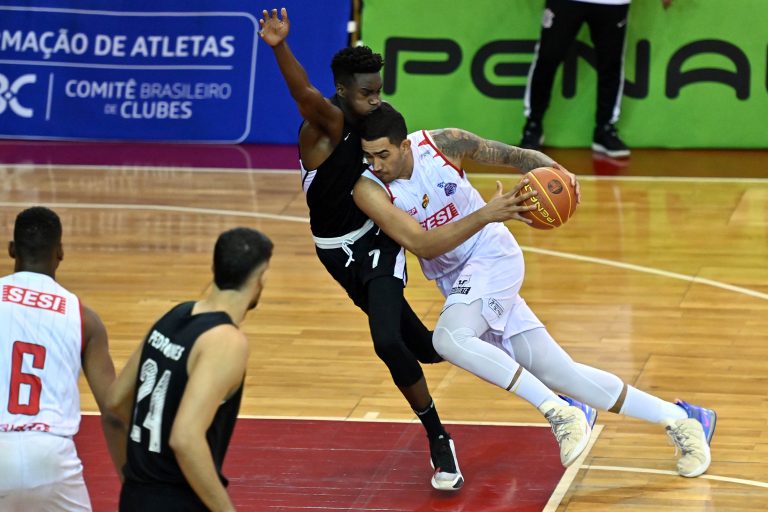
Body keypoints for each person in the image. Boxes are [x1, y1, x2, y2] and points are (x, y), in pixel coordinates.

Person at [260, 7, 545, 490]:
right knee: (428, 350)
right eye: (367, 93)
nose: (376, 99)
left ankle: (438, 437)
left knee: (387, 342)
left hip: (378, 239)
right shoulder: (325, 125)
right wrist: (279, 47)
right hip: (335, 252)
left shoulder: (376, 125)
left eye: (379, 90)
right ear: (343, 91)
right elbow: (304, 93)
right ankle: (483, 337)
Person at [354, 103, 717, 478]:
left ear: (405, 146)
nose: (376, 164)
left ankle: (559, 411)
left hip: (492, 255)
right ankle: (684, 419)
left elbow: (514, 156)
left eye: (383, 155)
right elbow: (423, 245)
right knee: (561, 372)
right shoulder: (369, 189)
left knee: (448, 339)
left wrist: (557, 171)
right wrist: (487, 212)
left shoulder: (444, 144)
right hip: (458, 280)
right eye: (368, 156)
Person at [107, 228, 273, 511]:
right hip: (178, 499)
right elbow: (185, 438)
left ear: (214, 268)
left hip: (134, 495)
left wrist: (146, 466)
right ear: (261, 278)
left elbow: (115, 401)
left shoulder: (174, 315)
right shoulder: (226, 340)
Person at [0, 206, 126, 511]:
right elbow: (113, 410)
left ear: (12, 249)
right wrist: (133, 479)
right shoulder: (85, 319)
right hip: (52, 457)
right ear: (60, 252)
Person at [521, 0, 674, 157]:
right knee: (547, 59)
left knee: (611, 63)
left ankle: (605, 129)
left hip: (613, 3)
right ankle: (533, 125)